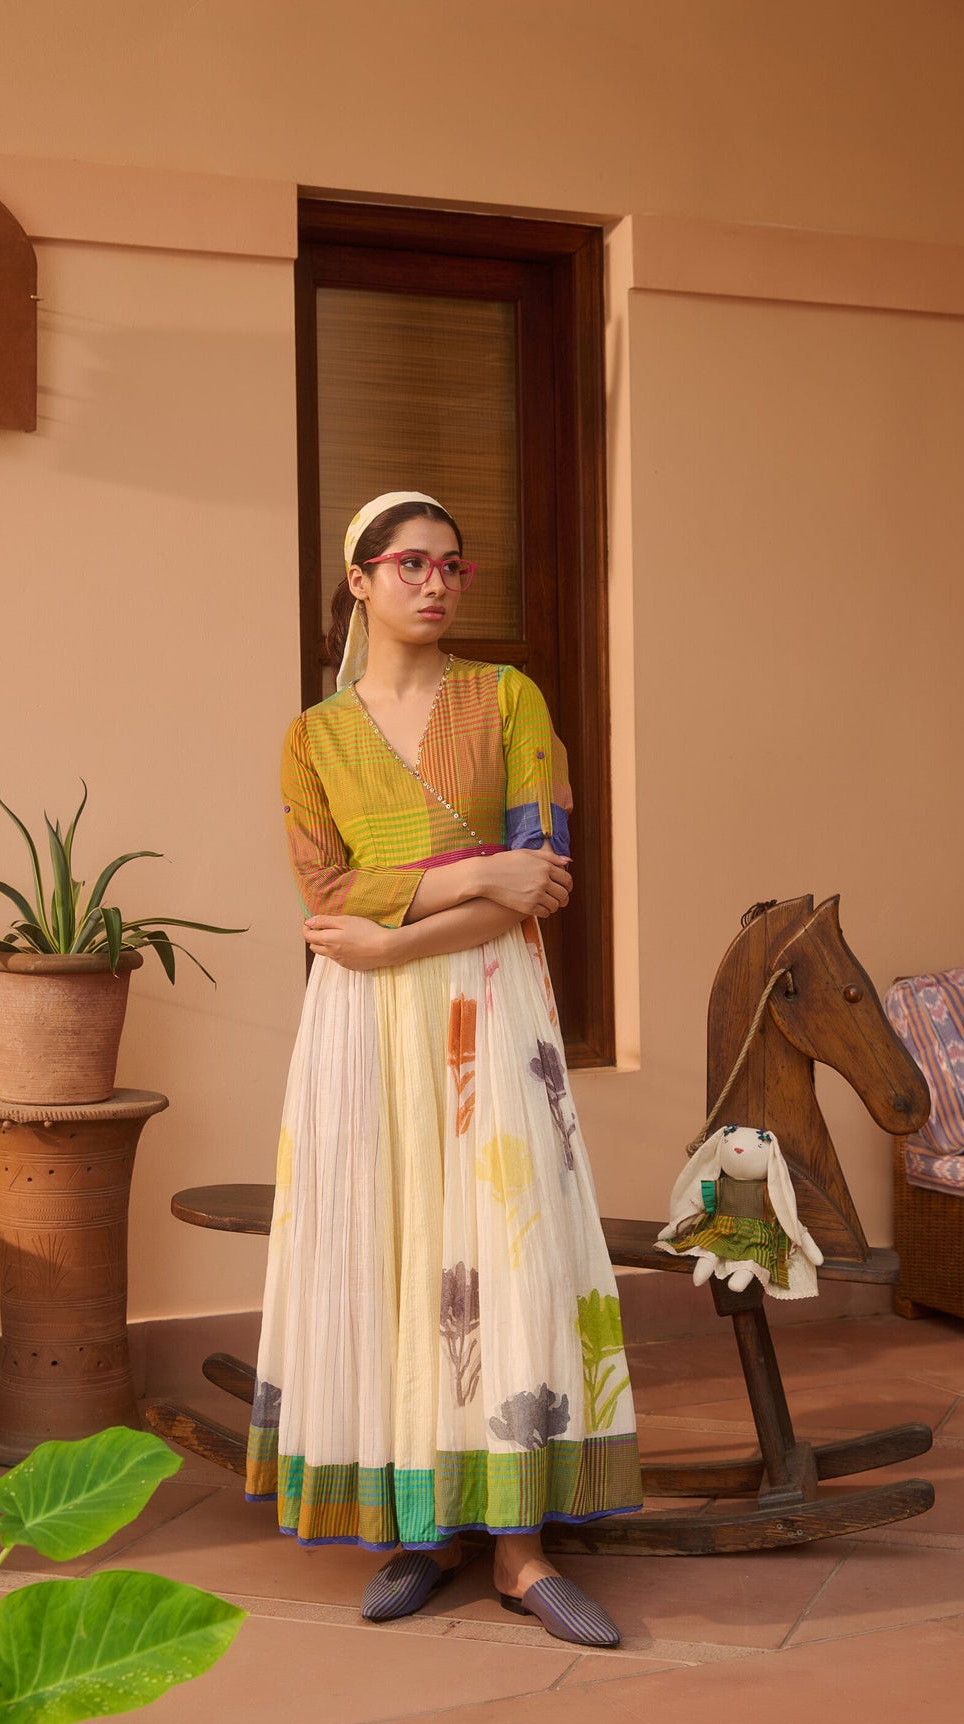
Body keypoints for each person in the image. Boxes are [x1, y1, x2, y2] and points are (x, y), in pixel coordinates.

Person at [246, 491, 640, 1647]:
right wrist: (470, 876)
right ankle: (421, 1524)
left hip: (487, 1002)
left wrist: (399, 935)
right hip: (361, 1023)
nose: (436, 582)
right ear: (360, 581)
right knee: (392, 1244)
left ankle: (520, 1549)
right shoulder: (313, 738)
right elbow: (328, 896)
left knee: (505, 1248)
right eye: (411, 563)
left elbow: (541, 879)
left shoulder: (510, 698)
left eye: (453, 565)